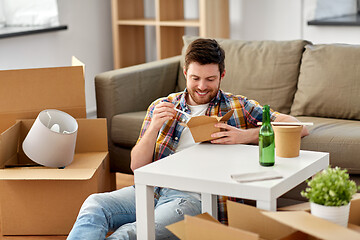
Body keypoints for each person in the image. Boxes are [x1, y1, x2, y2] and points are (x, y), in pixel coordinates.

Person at [67, 38, 309, 240]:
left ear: (222, 75)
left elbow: (299, 128)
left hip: (192, 199)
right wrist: (154, 128)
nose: (202, 86)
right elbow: (136, 166)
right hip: (152, 189)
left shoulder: (238, 106)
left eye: (210, 79)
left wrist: (245, 135)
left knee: (129, 234)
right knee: (94, 205)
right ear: (185, 73)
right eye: (195, 78)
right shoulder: (162, 106)